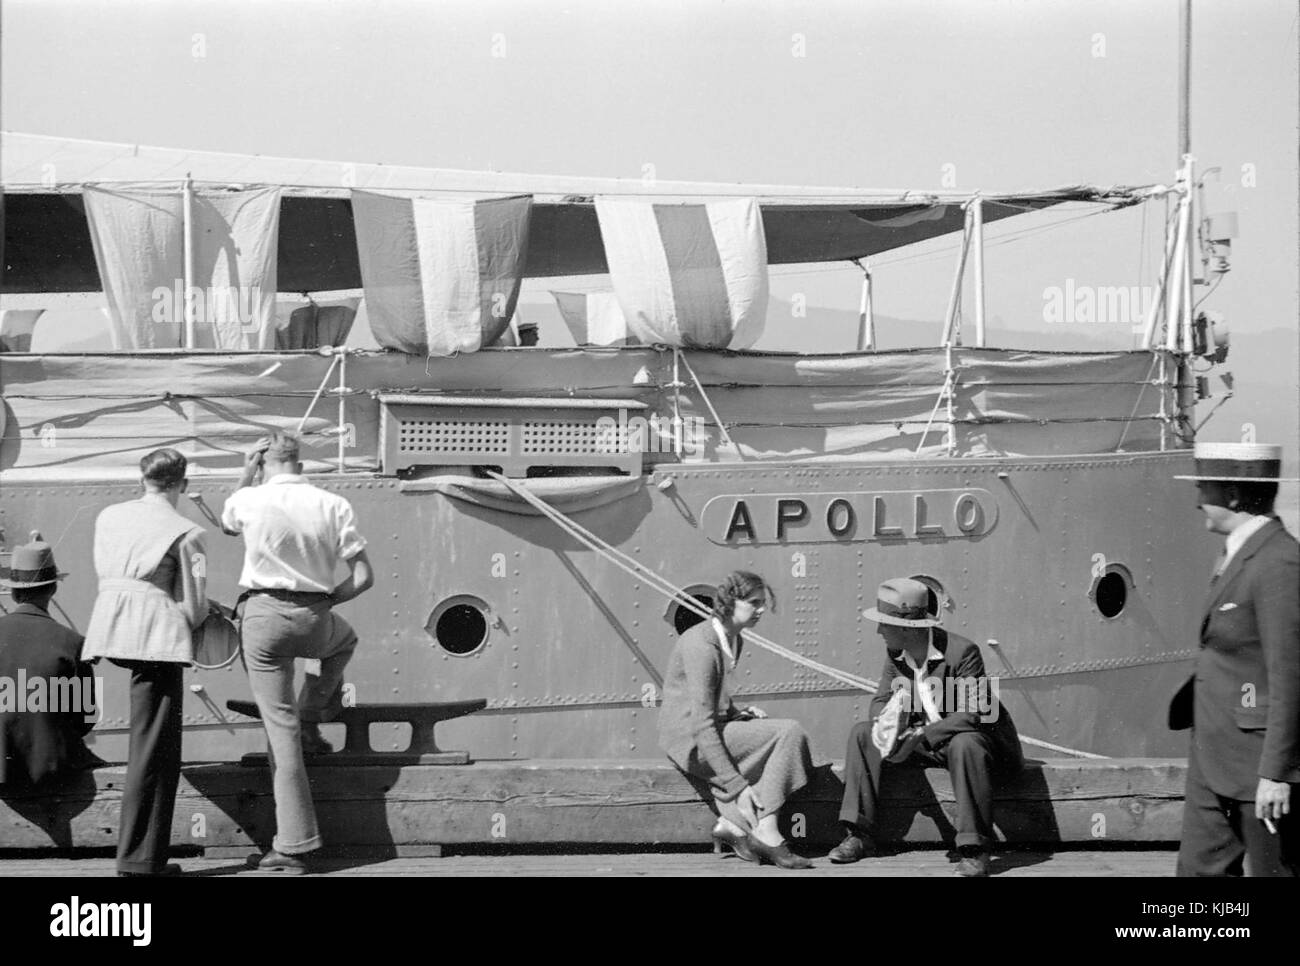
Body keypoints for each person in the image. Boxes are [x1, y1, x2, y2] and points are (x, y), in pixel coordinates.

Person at [221, 432, 373, 874]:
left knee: (279, 732)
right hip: (314, 616)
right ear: (300, 465)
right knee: (343, 642)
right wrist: (326, 602)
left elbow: (228, 523)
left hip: (263, 618)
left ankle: (294, 846)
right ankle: (313, 713)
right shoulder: (333, 504)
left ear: (266, 464)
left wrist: (247, 470)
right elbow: (363, 577)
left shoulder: (250, 499)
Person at [830, 577, 1022, 876]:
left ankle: (975, 851)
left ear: (907, 628)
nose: (879, 630)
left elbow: (974, 713)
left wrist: (920, 735)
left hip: (977, 748)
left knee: (965, 742)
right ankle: (859, 835)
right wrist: (892, 727)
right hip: (928, 744)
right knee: (862, 733)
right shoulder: (896, 655)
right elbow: (880, 701)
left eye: (884, 624)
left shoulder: (962, 652)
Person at [1169, 442, 1298, 877]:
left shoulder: (1278, 562)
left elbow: (1290, 675)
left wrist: (1278, 773)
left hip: (1257, 766)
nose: (1196, 499)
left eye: (1204, 487)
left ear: (1235, 496)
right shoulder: (1238, 554)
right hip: (1213, 754)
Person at [82, 449, 208, 877]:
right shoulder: (188, 532)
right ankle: (140, 863)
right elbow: (194, 609)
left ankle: (141, 859)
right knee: (156, 750)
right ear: (182, 484)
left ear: (143, 479)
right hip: (157, 636)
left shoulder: (109, 516)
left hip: (112, 624)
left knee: (146, 743)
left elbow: (118, 575)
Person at [657, 571, 815, 869]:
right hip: (688, 739)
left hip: (702, 727)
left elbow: (713, 698)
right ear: (730, 602)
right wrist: (737, 788)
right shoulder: (702, 646)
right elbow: (701, 722)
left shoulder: (732, 638)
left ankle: (733, 827)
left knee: (781, 735)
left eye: (763, 602)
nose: (761, 609)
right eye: (754, 602)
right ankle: (765, 829)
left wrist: (735, 715)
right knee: (789, 732)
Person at [0, 532, 103, 789]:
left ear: (13, 593)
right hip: (52, 770)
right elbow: (85, 719)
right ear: (54, 588)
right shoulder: (74, 643)